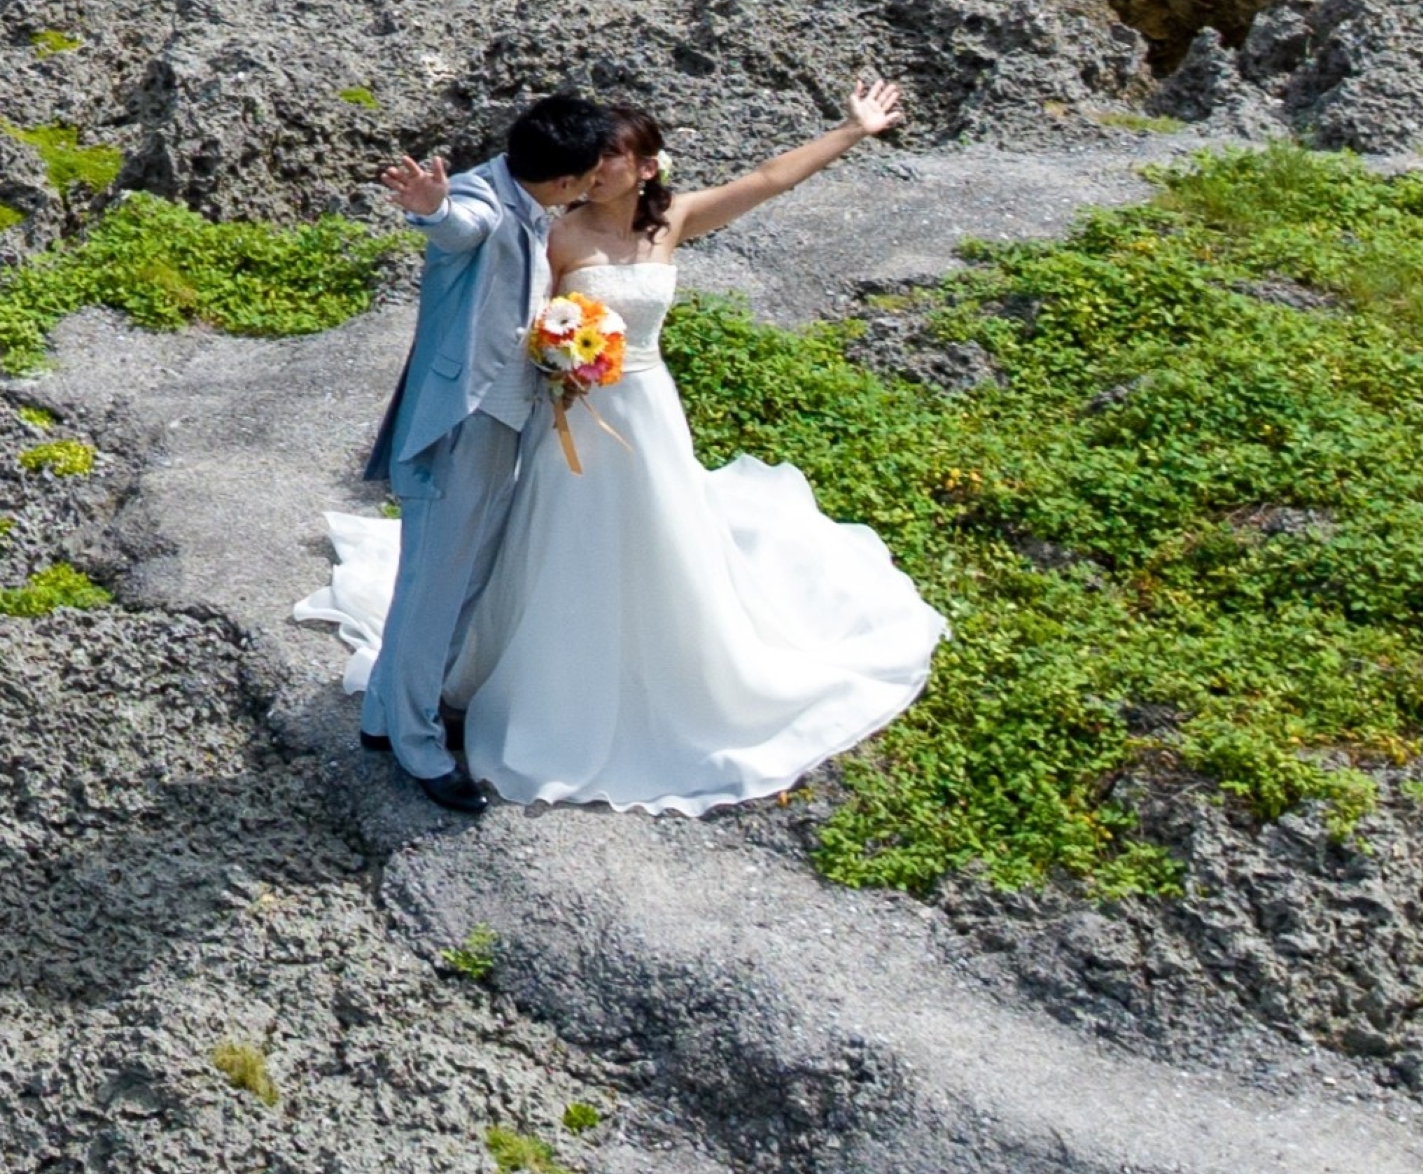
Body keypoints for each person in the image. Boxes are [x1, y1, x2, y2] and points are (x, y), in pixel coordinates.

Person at [305, 84, 946, 818]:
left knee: (640, 551)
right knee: (510, 563)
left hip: (646, 412)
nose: (600, 170)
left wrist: (852, 130)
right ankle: (446, 716)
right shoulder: (550, 225)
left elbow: (768, 179)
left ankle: (430, 707)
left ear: (647, 166)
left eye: (614, 156)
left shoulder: (671, 219)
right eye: (593, 158)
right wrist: (440, 218)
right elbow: (471, 237)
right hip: (562, 418)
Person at [348, 93, 621, 813]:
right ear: (564, 181)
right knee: (438, 592)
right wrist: (431, 208)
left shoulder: (527, 196)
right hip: (459, 426)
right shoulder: (481, 199)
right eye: (589, 175)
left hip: (500, 426)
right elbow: (458, 225)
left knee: (451, 584)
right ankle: (418, 744)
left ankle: (384, 713)